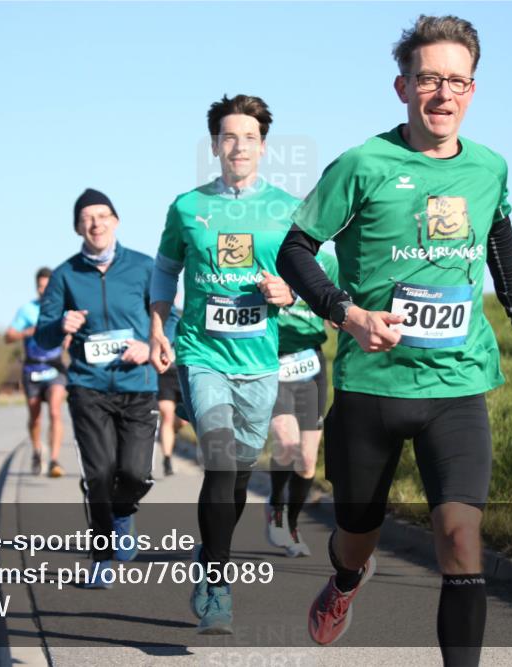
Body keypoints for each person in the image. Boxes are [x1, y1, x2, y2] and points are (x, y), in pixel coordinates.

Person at [275, 15, 512, 664]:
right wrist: (347, 314)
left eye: (457, 81)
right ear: (402, 87)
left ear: (472, 90)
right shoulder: (362, 164)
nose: (443, 93)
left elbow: (498, 233)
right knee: (356, 535)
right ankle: (347, 580)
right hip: (371, 386)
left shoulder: (489, 167)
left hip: (456, 383)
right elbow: (295, 249)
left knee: (460, 538)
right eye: (429, 79)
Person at [149, 94, 297, 634]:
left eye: (249, 138)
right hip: (201, 354)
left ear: (263, 146)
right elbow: (165, 270)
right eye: (229, 137)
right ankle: (217, 585)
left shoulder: (287, 209)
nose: (239, 146)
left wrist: (288, 294)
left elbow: (310, 274)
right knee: (218, 462)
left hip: (258, 362)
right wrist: (158, 325)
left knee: (237, 475)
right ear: (214, 145)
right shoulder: (187, 207)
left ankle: (209, 553)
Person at [36, 188, 159, 588]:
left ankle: (123, 513)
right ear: (77, 228)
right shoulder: (64, 275)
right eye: (87, 218)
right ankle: (102, 557)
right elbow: (42, 335)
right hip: (88, 386)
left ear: (116, 221)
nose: (96, 223)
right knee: (100, 474)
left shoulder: (143, 267)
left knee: (135, 474)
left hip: (138, 385)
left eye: (103, 215)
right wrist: (61, 326)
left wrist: (151, 346)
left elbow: (170, 318)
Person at [265, 250, 338, 558]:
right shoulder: (270, 253)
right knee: (287, 443)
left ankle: (292, 524)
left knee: (307, 461)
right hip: (273, 361)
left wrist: (339, 316)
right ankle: (276, 506)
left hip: (311, 362)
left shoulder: (328, 262)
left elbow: (336, 306)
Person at [5, 267, 68, 477]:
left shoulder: (61, 309)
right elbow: (8, 336)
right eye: (40, 287)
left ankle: (54, 460)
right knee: (35, 416)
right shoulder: (27, 310)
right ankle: (37, 451)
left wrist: (68, 336)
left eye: (47, 286)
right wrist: (26, 332)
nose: (44, 290)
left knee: (55, 412)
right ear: (36, 287)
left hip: (54, 366)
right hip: (32, 368)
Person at [156, 300, 185, 477]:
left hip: (183, 374)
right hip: (165, 375)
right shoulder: (160, 322)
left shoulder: (186, 320)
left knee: (182, 420)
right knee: (167, 414)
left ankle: (170, 433)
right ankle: (167, 459)